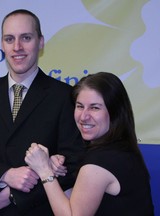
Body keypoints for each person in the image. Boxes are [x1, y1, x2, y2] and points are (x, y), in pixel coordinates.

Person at [0, 9, 84, 215]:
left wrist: (16, 195)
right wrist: (5, 175)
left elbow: (74, 163)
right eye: (9, 39)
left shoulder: (64, 96)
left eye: (26, 38)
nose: (17, 47)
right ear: (2, 45)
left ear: (40, 42)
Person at [25, 72, 154, 216]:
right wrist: (52, 172)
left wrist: (44, 171)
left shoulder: (100, 162)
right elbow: (76, 205)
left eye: (95, 108)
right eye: (80, 106)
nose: (84, 116)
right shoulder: (116, 149)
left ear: (115, 112)